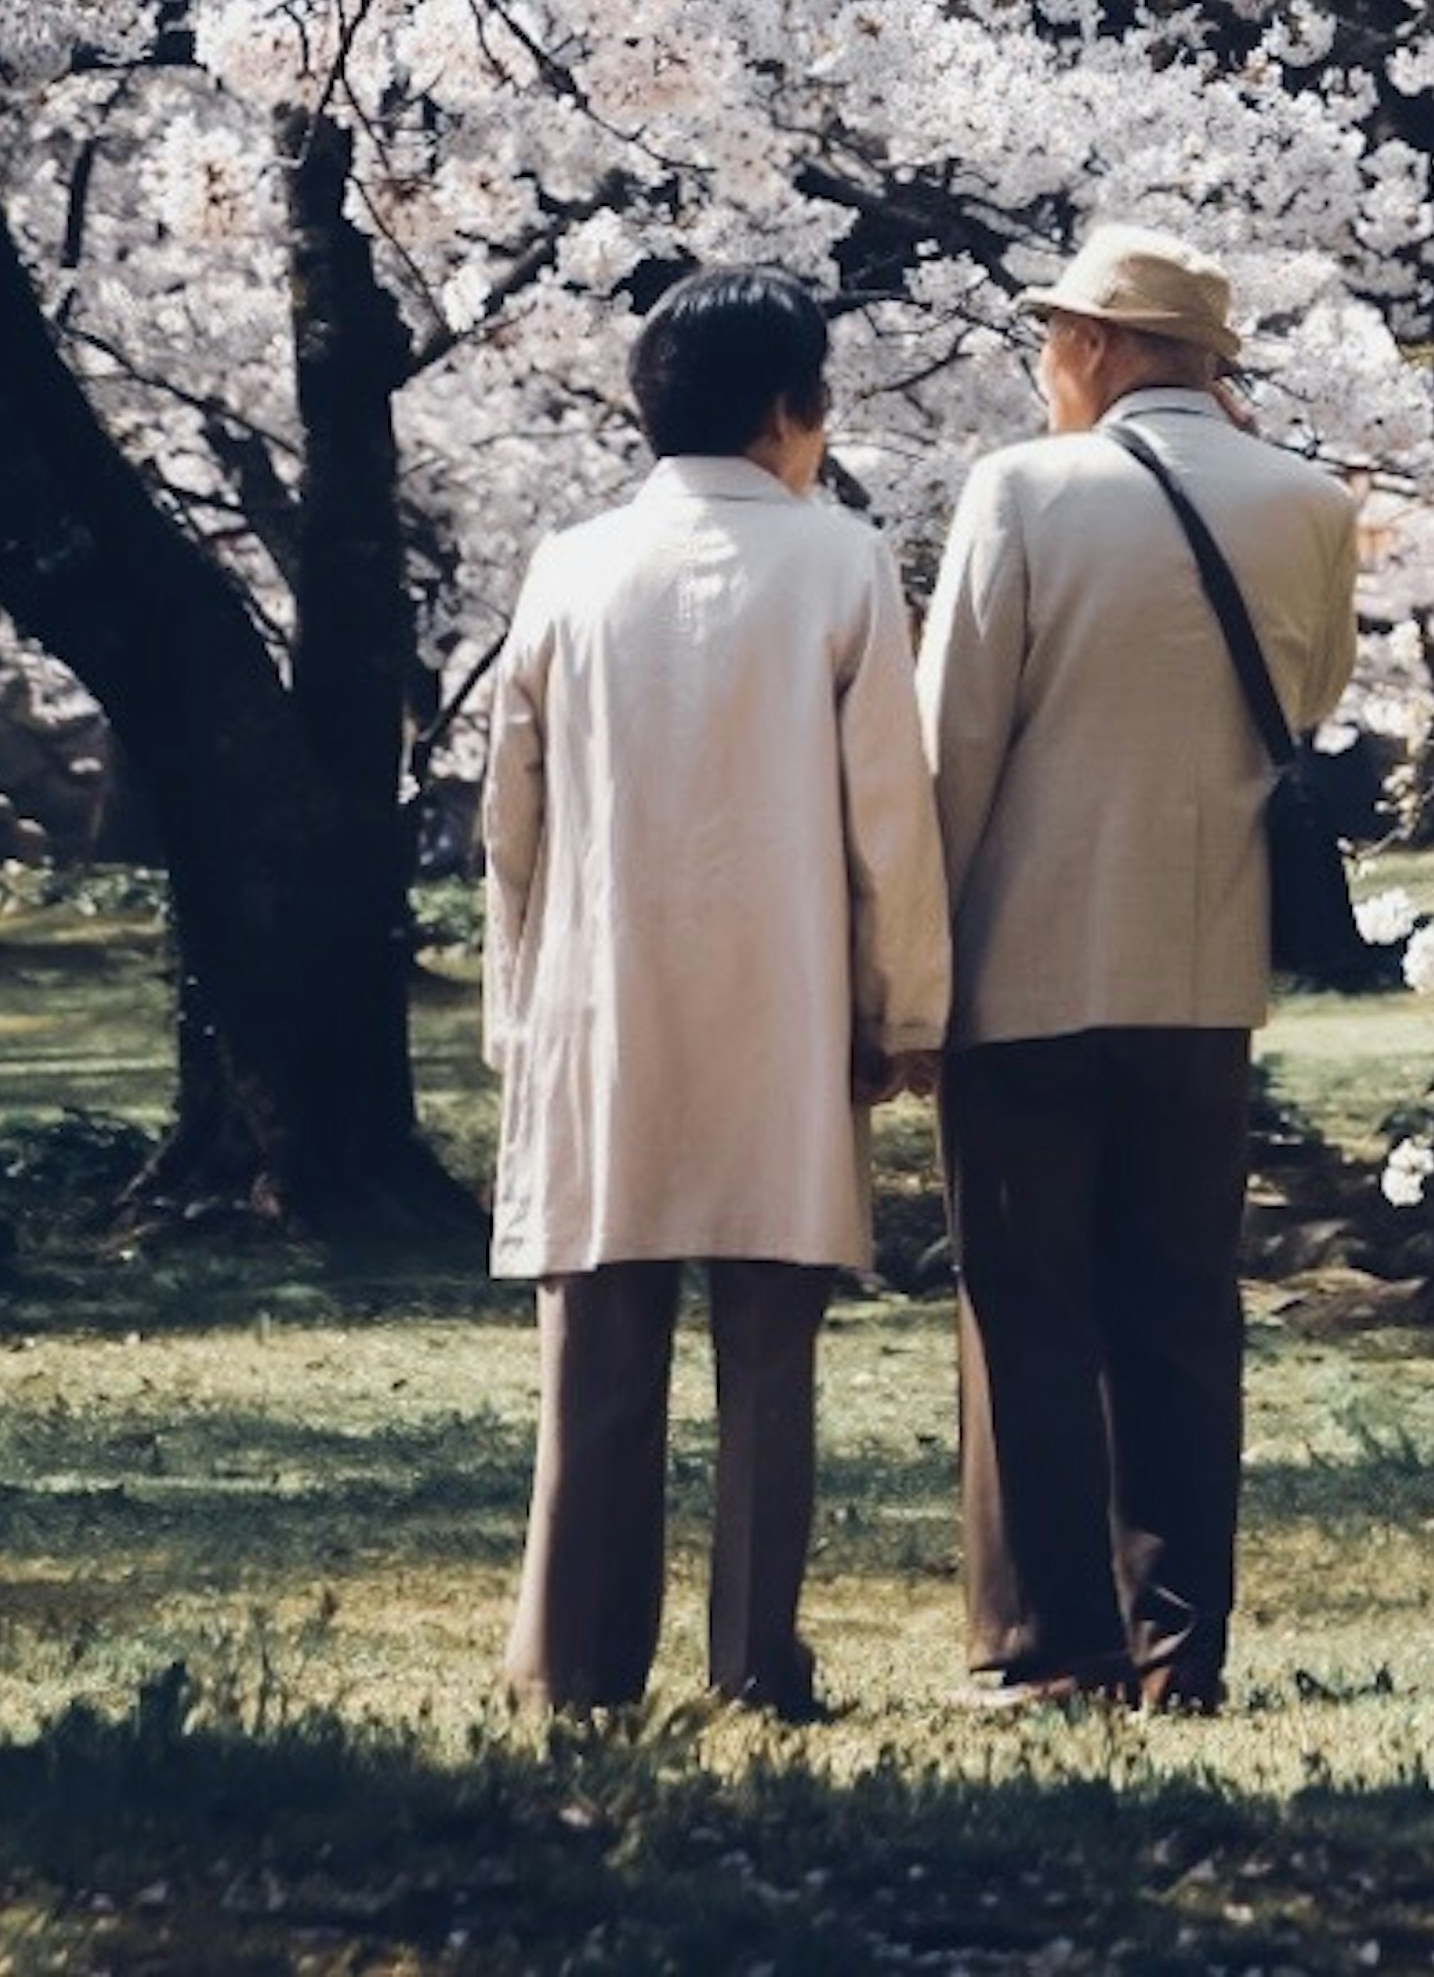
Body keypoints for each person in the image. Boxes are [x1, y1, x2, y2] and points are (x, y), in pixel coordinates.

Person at [483, 264, 949, 1720]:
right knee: (769, 1357)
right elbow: (891, 812)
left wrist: (522, 1002)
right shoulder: (840, 561)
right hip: (784, 997)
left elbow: (513, 812)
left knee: (600, 1358)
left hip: (603, 999)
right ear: (788, 408)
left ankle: (575, 1661)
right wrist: (906, 1006)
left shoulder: (567, 563)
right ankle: (757, 1658)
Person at [920, 221, 1360, 1715]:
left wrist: (915, 969)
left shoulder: (1023, 490)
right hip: (1206, 971)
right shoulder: (1309, 502)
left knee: (1027, 1305)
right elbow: (1307, 695)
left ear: (1097, 346)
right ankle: (1181, 1647)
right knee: (1179, 1304)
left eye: (1056, 333)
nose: (1046, 360)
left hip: (1027, 966)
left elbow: (954, 744)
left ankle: (1054, 1646)